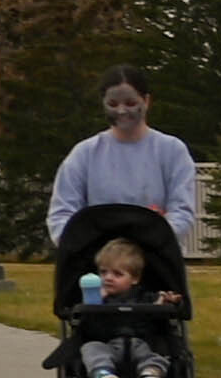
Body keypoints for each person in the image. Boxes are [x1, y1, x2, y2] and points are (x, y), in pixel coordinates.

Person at [46, 65, 202, 246]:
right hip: (96, 263)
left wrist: (146, 243)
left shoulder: (173, 151)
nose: (121, 111)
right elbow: (61, 215)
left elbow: (181, 213)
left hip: (155, 260)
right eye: (113, 104)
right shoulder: (84, 154)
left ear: (146, 101)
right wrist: (95, 248)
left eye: (130, 103)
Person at [73, 236, 181, 378]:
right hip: (109, 345)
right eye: (103, 272)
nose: (108, 278)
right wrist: (94, 306)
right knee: (91, 348)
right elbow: (91, 329)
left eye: (117, 274)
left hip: (141, 344)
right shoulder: (96, 299)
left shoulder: (145, 297)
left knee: (157, 354)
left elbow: (159, 315)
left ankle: (150, 376)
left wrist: (165, 303)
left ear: (135, 279)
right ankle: (105, 377)